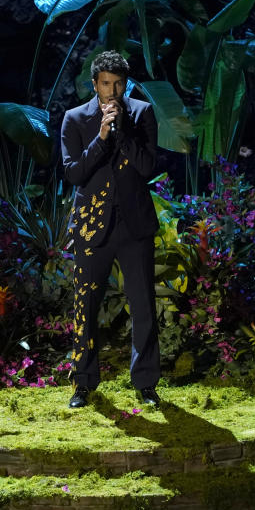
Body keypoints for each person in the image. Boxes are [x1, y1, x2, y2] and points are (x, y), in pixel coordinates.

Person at [60, 51, 161, 409]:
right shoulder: (75, 119)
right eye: (106, 84)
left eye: (119, 84)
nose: (113, 91)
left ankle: (146, 382)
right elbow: (74, 173)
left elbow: (148, 166)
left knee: (144, 306)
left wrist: (122, 135)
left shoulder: (142, 113)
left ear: (126, 83)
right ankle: (83, 383)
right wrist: (102, 137)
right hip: (92, 228)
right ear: (94, 84)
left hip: (134, 226)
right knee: (85, 305)